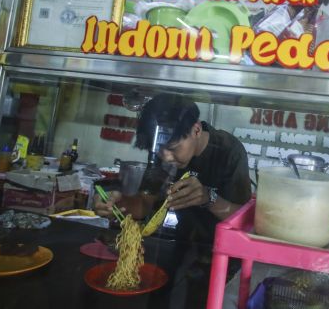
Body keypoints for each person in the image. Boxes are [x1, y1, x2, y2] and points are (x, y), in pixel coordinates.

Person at [94, 93, 251, 306]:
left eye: (173, 148)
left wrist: (208, 198)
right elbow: (143, 205)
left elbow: (244, 219)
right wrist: (118, 203)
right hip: (179, 244)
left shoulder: (228, 150)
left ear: (196, 130)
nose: (166, 157)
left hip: (220, 257)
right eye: (159, 148)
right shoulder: (161, 154)